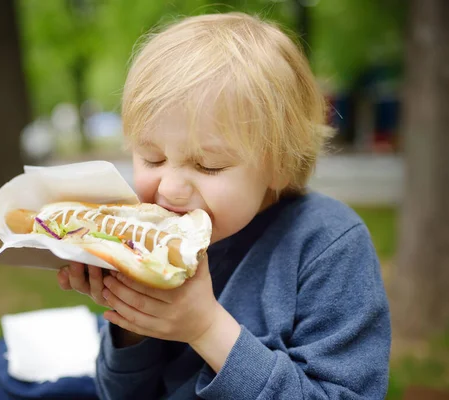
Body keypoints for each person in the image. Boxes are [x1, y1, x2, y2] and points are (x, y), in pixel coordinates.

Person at [57, 12, 391, 400]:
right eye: (151, 158)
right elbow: (119, 394)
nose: (171, 188)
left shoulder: (330, 245)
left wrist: (205, 329)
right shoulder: (148, 241)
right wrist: (132, 321)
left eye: (207, 165)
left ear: (279, 164)